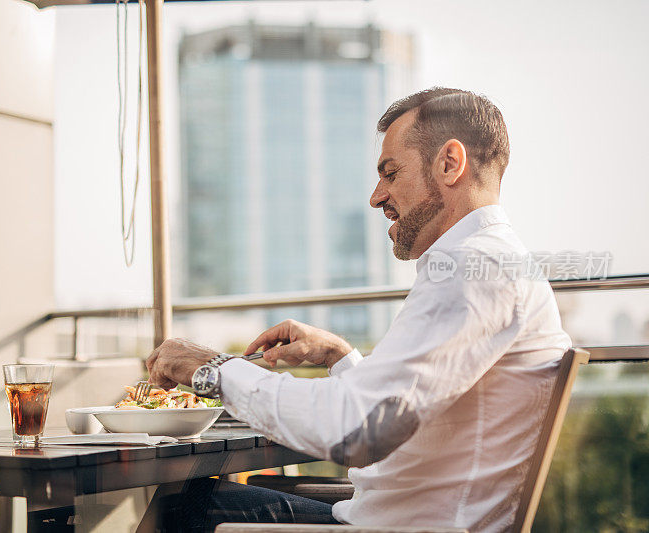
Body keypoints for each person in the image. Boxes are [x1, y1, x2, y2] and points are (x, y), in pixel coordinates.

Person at [140, 87, 571, 533]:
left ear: (449, 163)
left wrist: (213, 368)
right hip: (401, 517)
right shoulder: (490, 262)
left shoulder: (472, 270)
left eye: (390, 172)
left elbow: (356, 430)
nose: (376, 196)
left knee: (181, 512)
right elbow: (402, 411)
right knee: (198, 501)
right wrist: (341, 359)